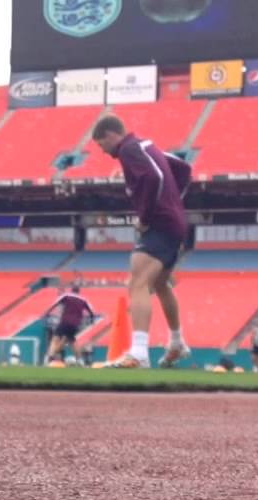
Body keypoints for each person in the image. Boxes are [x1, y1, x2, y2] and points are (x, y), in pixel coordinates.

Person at [90, 114, 193, 369]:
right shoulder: (147, 145)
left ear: (111, 135)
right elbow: (183, 169)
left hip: (160, 223)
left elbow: (153, 178)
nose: (103, 152)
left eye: (102, 145)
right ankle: (177, 342)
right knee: (160, 284)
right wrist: (174, 202)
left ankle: (139, 354)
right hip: (174, 222)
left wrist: (146, 216)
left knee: (137, 282)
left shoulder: (129, 149)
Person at [44, 286, 97, 365]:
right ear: (78, 291)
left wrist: (47, 312)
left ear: (71, 290)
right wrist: (92, 320)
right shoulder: (83, 300)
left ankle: (50, 357)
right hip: (75, 324)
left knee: (55, 338)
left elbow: (55, 303)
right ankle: (80, 360)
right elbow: (92, 312)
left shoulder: (67, 296)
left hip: (65, 321)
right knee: (72, 341)